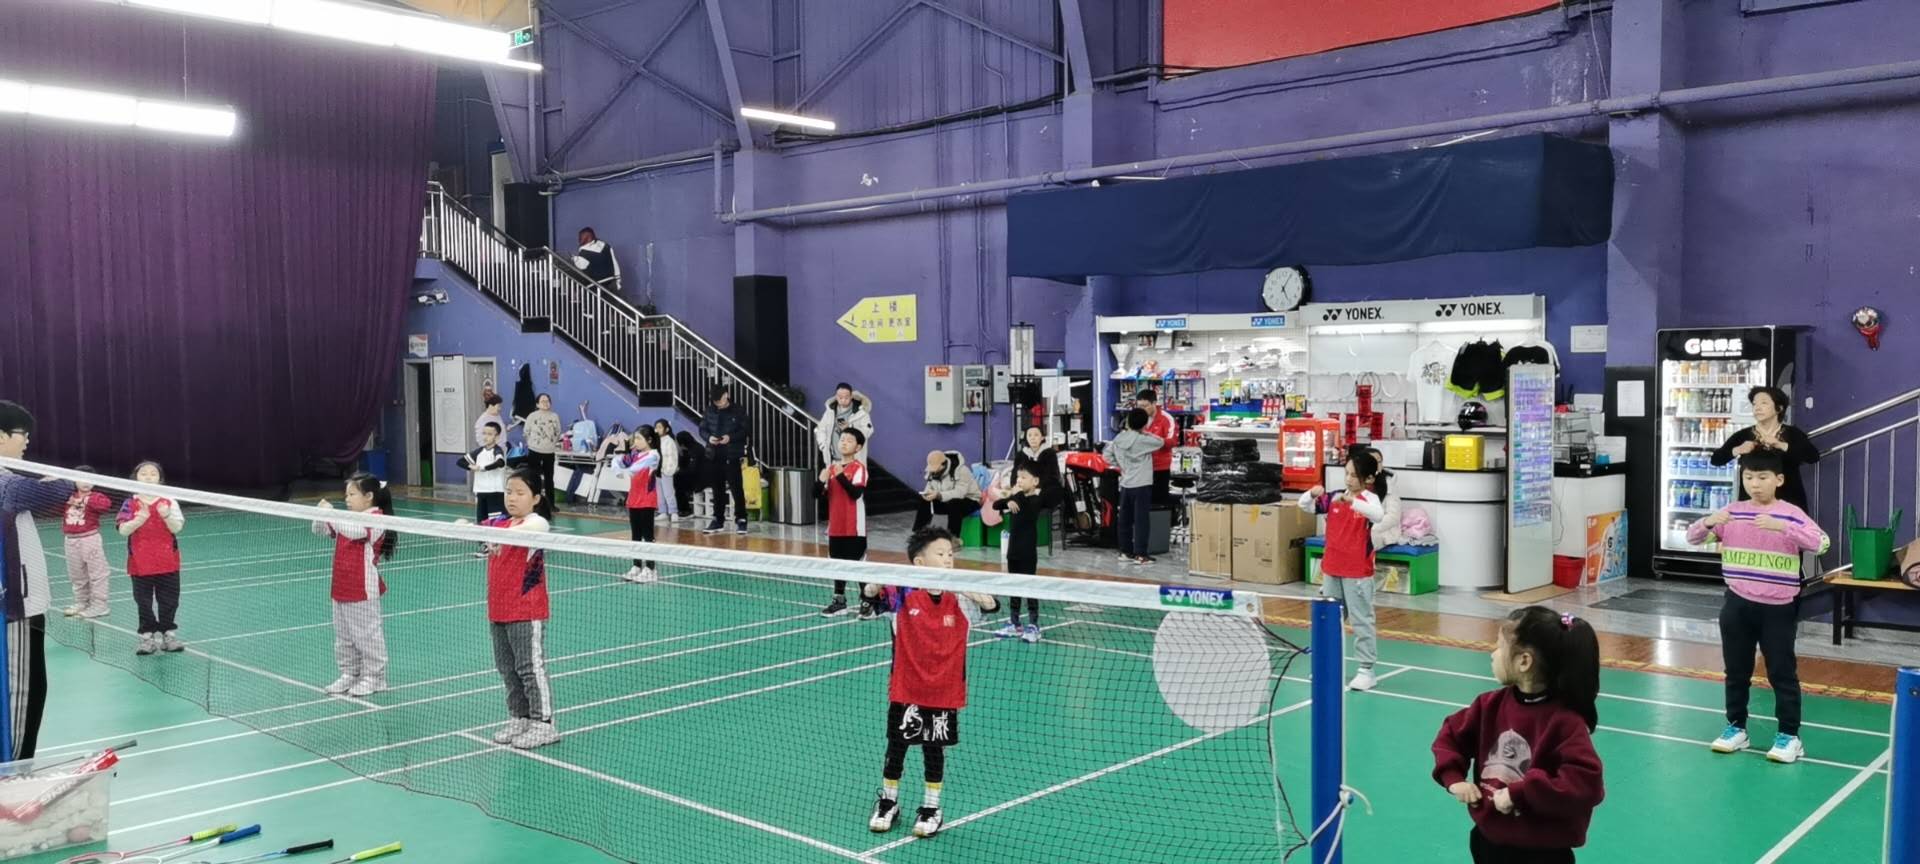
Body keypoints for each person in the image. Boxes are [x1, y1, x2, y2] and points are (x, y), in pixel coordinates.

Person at [1432, 606, 1605, 863]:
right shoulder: (1488, 705)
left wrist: (1521, 793)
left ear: (1524, 661)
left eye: (1500, 647)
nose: (1493, 654)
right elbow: (1451, 737)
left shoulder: (1565, 723)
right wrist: (1453, 777)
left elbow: (1585, 782)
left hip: (1541, 854)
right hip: (1488, 843)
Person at [1689, 450, 1830, 764]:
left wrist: (1784, 528)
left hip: (1778, 607)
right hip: (1737, 603)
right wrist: (1709, 521)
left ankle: (1789, 736)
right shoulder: (1732, 512)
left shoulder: (1790, 513)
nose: (1755, 484)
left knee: (1781, 672)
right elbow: (1693, 537)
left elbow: (1822, 543)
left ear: (1778, 480)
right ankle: (1736, 728)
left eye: (1762, 477)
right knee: (1736, 671)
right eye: (1749, 477)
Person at [862, 528, 1000, 839]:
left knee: (933, 751)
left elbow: (992, 605)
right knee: (896, 748)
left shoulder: (960, 598)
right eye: (940, 554)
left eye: (950, 554)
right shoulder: (902, 594)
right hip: (906, 690)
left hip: (943, 693)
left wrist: (967, 588)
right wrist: (874, 583)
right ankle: (888, 802)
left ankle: (931, 808)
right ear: (920, 562)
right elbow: (870, 597)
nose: (948, 559)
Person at [0, 401, 74, 760]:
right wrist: (69, 480)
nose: (27, 441)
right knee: (23, 693)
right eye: (22, 434)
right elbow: (54, 493)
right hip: (17, 609)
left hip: (23, 606)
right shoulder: (6, 483)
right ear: (0, 437)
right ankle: (14, 772)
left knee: (32, 689)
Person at [467, 468, 559, 750]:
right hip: (498, 608)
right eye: (509, 492)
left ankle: (543, 724)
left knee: (529, 668)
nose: (512, 498)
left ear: (536, 498)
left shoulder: (537, 523)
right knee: (507, 669)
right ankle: (520, 717)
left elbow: (522, 532)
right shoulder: (499, 523)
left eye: (520, 493)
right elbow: (476, 529)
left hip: (525, 609)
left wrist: (489, 532)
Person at [1299, 450, 1387, 691]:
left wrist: (1352, 502)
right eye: (1346, 474)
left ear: (1368, 478)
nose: (1348, 479)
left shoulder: (1370, 499)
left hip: (1357, 571)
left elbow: (1378, 515)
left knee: (1361, 620)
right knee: (1329, 619)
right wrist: (1311, 494)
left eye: (1354, 475)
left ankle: (1366, 670)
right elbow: (1304, 506)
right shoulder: (1334, 497)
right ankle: (1325, 665)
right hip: (1332, 568)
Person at [312, 473, 397, 698]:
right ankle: (350, 673)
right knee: (344, 638)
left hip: (362, 589)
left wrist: (332, 514)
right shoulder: (347, 519)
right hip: (340, 587)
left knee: (367, 636)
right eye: (346, 495)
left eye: (352, 494)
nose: (347, 499)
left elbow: (353, 531)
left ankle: (375, 678)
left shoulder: (376, 518)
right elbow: (320, 530)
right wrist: (320, 515)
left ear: (368, 496)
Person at [118, 461, 186, 656]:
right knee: (143, 602)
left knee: (169, 601)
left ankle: (168, 635)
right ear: (135, 478)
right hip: (140, 563)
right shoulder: (130, 503)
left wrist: (166, 515)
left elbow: (177, 528)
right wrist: (140, 518)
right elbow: (123, 531)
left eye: (153, 474)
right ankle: (146, 638)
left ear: (160, 479)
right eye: (143, 473)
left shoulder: (169, 501)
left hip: (167, 561)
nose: (148, 477)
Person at [1710, 386, 1818, 509]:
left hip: (1789, 500)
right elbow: (1716, 459)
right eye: (1754, 404)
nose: (1757, 408)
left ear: (1779, 408)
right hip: (1752, 501)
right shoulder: (1743, 435)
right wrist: (1737, 450)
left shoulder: (1793, 433)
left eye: (1764, 403)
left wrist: (1781, 445)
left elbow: (1812, 456)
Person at [819, 429, 876, 619]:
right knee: (838, 565)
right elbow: (817, 494)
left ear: (858, 447)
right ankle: (839, 601)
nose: (844, 442)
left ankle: (868, 602)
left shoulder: (859, 468)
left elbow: (855, 493)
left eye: (849, 440)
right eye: (842, 439)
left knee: (858, 566)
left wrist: (840, 475)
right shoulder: (831, 469)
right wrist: (820, 481)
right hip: (835, 527)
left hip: (854, 527)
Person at [993, 464, 1047, 643]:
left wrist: (1015, 495)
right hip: (1013, 551)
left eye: (1024, 478)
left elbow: (1028, 511)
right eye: (1018, 477)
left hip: (1027, 552)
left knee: (1030, 587)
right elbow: (995, 504)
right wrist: (1008, 501)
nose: (1019, 481)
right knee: (1013, 587)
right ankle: (1015, 623)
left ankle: (1033, 625)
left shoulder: (1036, 499)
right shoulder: (1017, 498)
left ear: (1035, 481)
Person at [1111, 408, 1164, 565]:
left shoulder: (1119, 438)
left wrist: (1121, 466)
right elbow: (1160, 442)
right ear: (1144, 424)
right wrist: (1145, 432)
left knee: (1125, 519)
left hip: (1125, 483)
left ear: (1128, 421)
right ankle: (1141, 554)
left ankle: (1125, 552)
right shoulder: (1143, 440)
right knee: (1141, 520)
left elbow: (1107, 455)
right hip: (1141, 483)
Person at [61, 467, 114, 620]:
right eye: (81, 478)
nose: (86, 482)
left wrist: (86, 501)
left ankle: (100, 605)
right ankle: (81, 602)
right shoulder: (67, 497)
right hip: (70, 540)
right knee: (77, 574)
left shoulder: (96, 497)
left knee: (97, 573)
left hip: (89, 539)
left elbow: (105, 505)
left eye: (90, 479)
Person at [700, 387, 751, 536]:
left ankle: (741, 519)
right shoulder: (709, 411)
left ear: (726, 395)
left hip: (732, 454)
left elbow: (745, 430)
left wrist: (730, 437)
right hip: (714, 454)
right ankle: (718, 519)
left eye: (721, 400)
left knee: (736, 488)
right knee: (717, 489)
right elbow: (702, 429)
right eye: (716, 401)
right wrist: (709, 438)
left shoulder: (738, 410)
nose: (719, 403)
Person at [622, 427, 662, 584]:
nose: (636, 442)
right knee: (636, 536)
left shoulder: (654, 455)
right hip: (634, 499)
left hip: (647, 499)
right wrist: (628, 452)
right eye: (635, 439)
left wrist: (630, 457)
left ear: (649, 440)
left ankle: (651, 569)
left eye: (639, 439)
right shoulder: (635, 455)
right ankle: (637, 566)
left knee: (648, 535)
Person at [912, 451, 980, 539]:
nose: (934, 472)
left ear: (944, 464)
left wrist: (939, 495)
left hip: (970, 501)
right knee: (925, 501)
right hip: (946, 500)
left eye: (936, 468)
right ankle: (919, 535)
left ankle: (952, 538)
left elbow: (960, 493)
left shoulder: (962, 470)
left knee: (955, 503)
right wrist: (927, 494)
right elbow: (929, 488)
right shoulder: (932, 472)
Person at [1135, 389, 1180, 509]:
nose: (1142, 409)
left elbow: (1172, 442)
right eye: (1139, 406)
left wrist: (1152, 438)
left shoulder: (1167, 419)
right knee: (1141, 502)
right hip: (1140, 467)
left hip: (1160, 468)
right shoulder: (1137, 417)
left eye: (1145, 406)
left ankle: (1163, 518)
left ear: (1154, 403)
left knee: (1159, 503)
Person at [460, 422, 510, 524]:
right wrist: (471, 466)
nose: (486, 437)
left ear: (497, 437)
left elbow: (500, 462)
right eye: (484, 433)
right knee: (481, 521)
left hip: (495, 492)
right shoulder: (479, 451)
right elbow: (460, 462)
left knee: (496, 522)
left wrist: (483, 468)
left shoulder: (497, 450)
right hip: (480, 491)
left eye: (489, 434)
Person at [815, 383, 875, 465]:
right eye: (840, 397)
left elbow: (868, 431)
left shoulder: (861, 412)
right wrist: (823, 445)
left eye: (846, 397)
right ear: (836, 397)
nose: (843, 400)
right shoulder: (830, 411)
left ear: (851, 396)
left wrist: (849, 428)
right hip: (834, 460)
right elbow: (821, 429)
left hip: (854, 461)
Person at [521, 394, 563, 509]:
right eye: (543, 401)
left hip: (549, 452)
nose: (546, 403)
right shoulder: (532, 416)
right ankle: (534, 503)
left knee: (549, 479)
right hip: (534, 451)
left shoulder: (554, 416)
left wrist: (552, 443)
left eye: (547, 401)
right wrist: (532, 443)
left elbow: (558, 431)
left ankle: (550, 504)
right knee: (534, 477)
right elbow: (526, 432)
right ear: (537, 404)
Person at [572, 227, 621, 292]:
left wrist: (575, 259)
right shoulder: (606, 246)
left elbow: (582, 266)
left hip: (595, 286)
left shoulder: (584, 252)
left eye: (581, 236)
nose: (579, 239)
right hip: (611, 282)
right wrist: (618, 280)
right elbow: (615, 263)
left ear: (589, 236)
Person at [652, 420, 681, 523]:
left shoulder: (669, 441)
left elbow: (672, 457)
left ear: (666, 429)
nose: (657, 429)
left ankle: (673, 512)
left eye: (660, 427)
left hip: (666, 470)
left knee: (669, 492)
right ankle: (663, 511)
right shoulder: (656, 441)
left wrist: (669, 470)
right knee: (660, 493)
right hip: (657, 470)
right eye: (656, 427)